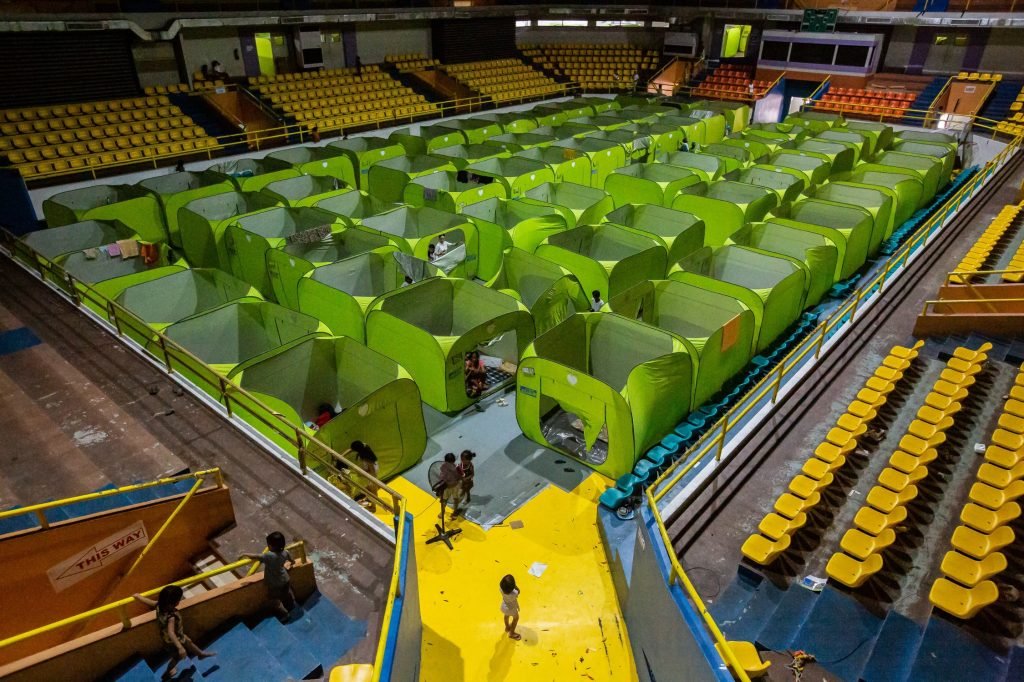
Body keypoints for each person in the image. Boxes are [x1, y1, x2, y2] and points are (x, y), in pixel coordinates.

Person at [133, 586, 215, 679]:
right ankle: (167, 673)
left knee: (188, 640)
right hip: (172, 641)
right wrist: (180, 648)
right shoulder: (171, 616)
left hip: (172, 636)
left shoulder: (159, 605)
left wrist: (138, 597)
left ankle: (200, 654)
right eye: (178, 599)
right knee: (177, 657)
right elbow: (171, 632)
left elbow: (149, 602)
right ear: (174, 603)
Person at [241, 531, 297, 620]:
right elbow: (292, 561)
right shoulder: (286, 552)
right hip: (285, 579)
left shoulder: (269, 556)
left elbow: (256, 556)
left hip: (274, 584)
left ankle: (285, 614)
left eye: (269, 544)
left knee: (274, 600)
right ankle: (291, 604)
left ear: (271, 546)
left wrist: (245, 554)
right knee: (286, 593)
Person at [436, 452, 461, 517]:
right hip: (446, 487)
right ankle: (442, 511)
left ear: (453, 461)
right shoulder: (443, 467)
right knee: (444, 500)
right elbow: (441, 476)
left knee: (456, 499)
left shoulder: (457, 468)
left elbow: (460, 477)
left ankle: (455, 512)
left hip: (455, 486)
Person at [453, 450, 476, 516]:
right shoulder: (460, 465)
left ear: (469, 460)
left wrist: (466, 478)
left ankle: (464, 498)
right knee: (466, 490)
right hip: (462, 482)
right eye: (461, 459)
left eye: (464, 459)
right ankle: (467, 497)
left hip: (468, 482)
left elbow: (472, 474)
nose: (462, 461)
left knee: (465, 490)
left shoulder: (470, 465)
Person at [499, 574, 521, 640]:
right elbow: (519, 591)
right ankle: (511, 633)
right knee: (516, 618)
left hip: (504, 606)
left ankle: (507, 627)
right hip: (512, 608)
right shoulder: (514, 593)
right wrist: (515, 587)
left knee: (506, 616)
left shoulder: (501, 589)